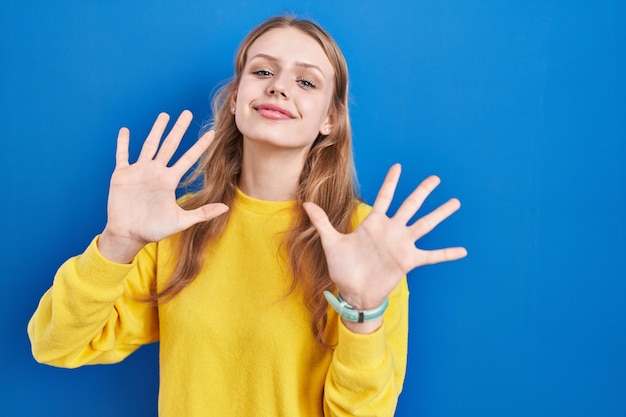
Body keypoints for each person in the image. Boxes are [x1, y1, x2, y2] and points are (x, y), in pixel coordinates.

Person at [28, 15, 467, 417]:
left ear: (330, 120)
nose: (279, 87)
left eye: (307, 82)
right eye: (262, 71)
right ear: (236, 98)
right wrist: (118, 242)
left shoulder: (364, 239)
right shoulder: (174, 224)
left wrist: (362, 313)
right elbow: (54, 345)